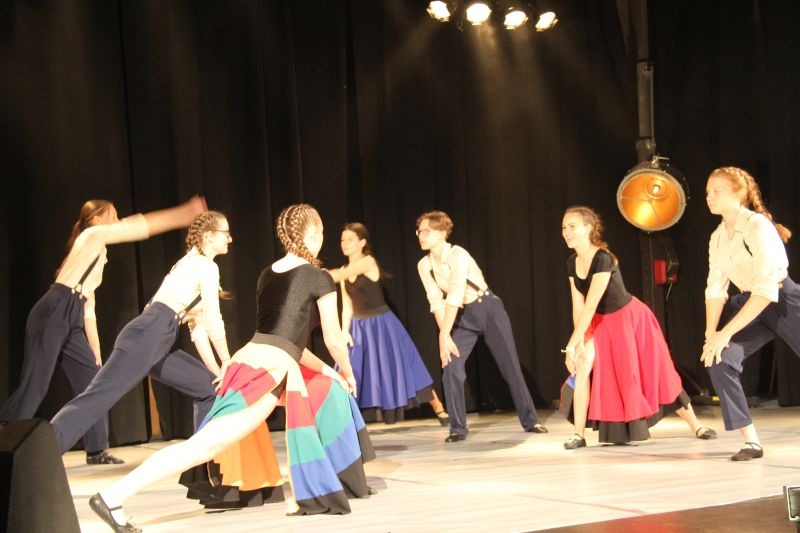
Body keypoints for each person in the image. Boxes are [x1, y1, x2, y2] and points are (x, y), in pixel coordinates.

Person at [88, 204, 374, 533]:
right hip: (268, 370)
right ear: (312, 234)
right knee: (203, 446)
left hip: (247, 361)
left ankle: (318, 486)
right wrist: (346, 370)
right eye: (322, 232)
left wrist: (328, 373)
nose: (323, 238)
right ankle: (112, 496)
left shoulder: (268, 274)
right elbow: (333, 339)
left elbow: (286, 341)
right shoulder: (318, 277)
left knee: (205, 443)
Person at [0, 196, 206, 465]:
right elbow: (136, 227)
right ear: (96, 219)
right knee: (35, 386)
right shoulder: (91, 236)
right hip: (53, 312)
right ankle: (5, 441)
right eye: (113, 216)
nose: (117, 221)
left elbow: (88, 308)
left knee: (91, 378)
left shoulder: (98, 252)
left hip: (70, 316)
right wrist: (182, 214)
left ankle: (96, 449)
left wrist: (95, 349)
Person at [51, 211, 233, 454]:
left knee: (208, 388)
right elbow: (213, 318)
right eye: (226, 233)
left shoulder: (192, 264)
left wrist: (218, 371)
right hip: (148, 333)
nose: (230, 239)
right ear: (209, 236)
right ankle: (46, 447)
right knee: (100, 394)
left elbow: (198, 327)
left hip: (158, 336)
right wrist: (227, 361)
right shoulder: (205, 266)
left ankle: (203, 463)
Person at [560, 206, 716, 449]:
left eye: (572, 226)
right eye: (564, 227)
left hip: (629, 320)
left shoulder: (602, 258)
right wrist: (578, 343)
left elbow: (590, 305)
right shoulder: (572, 262)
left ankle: (696, 425)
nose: (566, 232)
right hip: (599, 323)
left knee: (658, 372)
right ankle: (578, 435)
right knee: (583, 365)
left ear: (588, 228)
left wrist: (570, 344)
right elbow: (578, 307)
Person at [415, 211, 547, 443]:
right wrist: (445, 337)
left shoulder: (458, 255)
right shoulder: (424, 265)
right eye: (419, 231)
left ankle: (531, 420)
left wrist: (444, 334)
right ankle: (457, 428)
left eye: (427, 231)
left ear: (443, 233)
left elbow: (456, 293)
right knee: (451, 368)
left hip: (486, 308)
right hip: (460, 316)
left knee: (510, 366)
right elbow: (436, 301)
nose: (421, 235)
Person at [701, 166, 798, 461]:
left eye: (717, 191)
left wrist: (725, 332)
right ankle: (751, 441)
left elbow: (767, 290)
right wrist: (711, 336)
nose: (710, 197)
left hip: (781, 300)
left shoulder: (758, 226)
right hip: (750, 304)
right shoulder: (717, 237)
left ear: (738, 193)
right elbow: (715, 289)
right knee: (718, 359)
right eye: (708, 192)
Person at [327, 222, 449, 425]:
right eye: (342, 240)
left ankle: (439, 409)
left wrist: (312, 274)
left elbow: (337, 276)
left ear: (362, 242)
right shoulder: (344, 270)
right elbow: (347, 305)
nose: (345, 243)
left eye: (350, 239)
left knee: (407, 366)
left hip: (382, 325)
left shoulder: (368, 262)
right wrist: (344, 330)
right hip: (359, 327)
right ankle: (342, 421)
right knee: (349, 369)